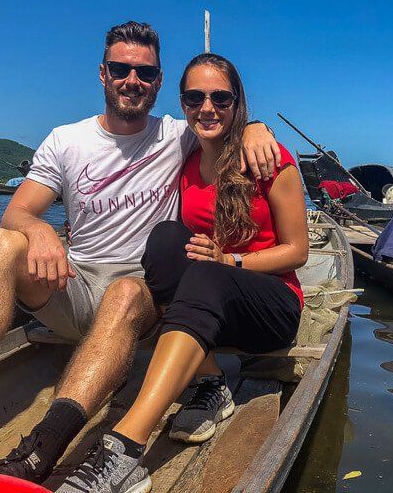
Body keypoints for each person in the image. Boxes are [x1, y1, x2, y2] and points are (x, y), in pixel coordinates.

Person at [0, 22, 280, 484]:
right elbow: (16, 212)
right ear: (102, 73)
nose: (132, 80)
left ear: (158, 82)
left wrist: (256, 126)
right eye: (121, 68)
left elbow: (222, 115)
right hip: (71, 287)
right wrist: (39, 230)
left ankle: (46, 445)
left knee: (126, 293)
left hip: (139, 299)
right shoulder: (66, 140)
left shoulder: (178, 134)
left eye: (145, 72)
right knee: (0, 242)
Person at [55, 53, 309, 493]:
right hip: (212, 299)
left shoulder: (270, 159)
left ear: (237, 102)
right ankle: (211, 382)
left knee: (208, 273)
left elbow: (299, 251)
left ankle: (125, 448)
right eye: (195, 97)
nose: (207, 108)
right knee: (166, 240)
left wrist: (231, 261)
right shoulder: (188, 162)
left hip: (271, 303)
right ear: (182, 102)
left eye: (220, 97)